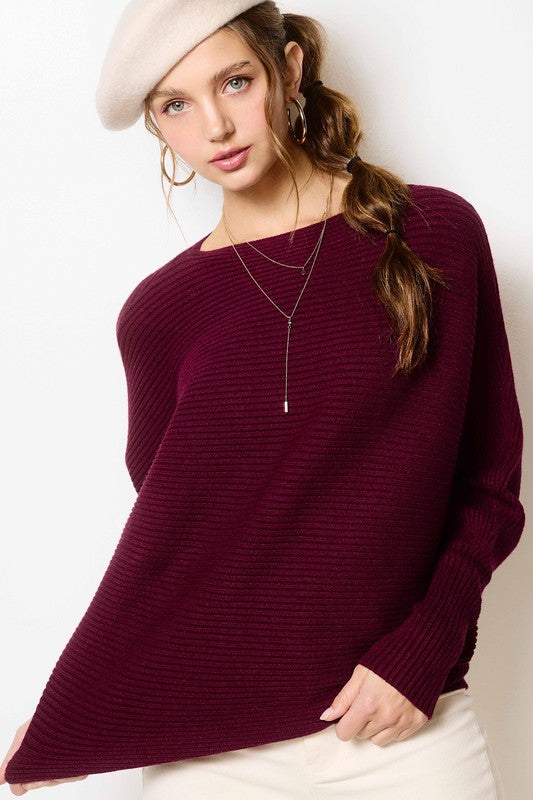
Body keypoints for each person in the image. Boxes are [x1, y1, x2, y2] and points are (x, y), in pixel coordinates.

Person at [1, 1, 525, 797]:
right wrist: (80, 708)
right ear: (157, 127)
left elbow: (488, 486)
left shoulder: (430, 234)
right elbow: (186, 545)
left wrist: (424, 645)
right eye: (175, 105)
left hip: (394, 724)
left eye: (234, 82)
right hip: (205, 748)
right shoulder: (158, 314)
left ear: (288, 69)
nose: (214, 126)